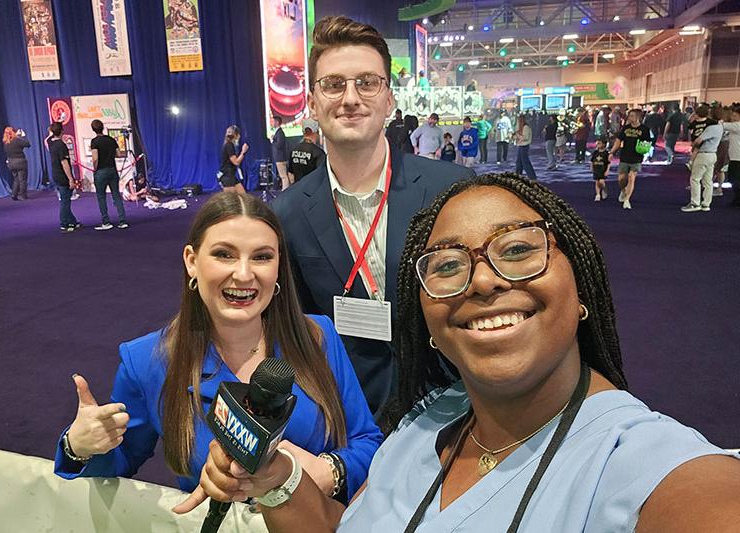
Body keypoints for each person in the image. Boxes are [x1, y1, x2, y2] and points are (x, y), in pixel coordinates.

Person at [189, 174, 740, 533]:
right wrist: (277, 476)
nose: (482, 281)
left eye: (518, 249)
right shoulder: (420, 430)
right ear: (427, 321)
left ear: (583, 294)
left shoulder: (639, 460)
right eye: (448, 265)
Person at [56, 192, 383, 508]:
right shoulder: (146, 362)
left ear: (279, 266)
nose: (244, 274)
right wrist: (80, 447)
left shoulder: (317, 336)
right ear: (192, 261)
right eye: (224, 254)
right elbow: (119, 463)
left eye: (262, 257)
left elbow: (368, 442)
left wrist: (329, 473)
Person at [271, 16, 473, 419]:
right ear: (312, 102)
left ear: (389, 99)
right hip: (351, 417)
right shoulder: (286, 213)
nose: (350, 98)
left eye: (367, 82)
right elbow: (295, 330)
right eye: (333, 84)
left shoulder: (450, 189)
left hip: (459, 407)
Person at [681, 108, 723, 213]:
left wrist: (693, 145)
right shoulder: (720, 127)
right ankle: (706, 204)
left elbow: (699, 140)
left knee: (695, 179)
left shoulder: (711, 128)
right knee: (708, 181)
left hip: (703, 154)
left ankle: (695, 203)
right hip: (713, 154)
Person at [90, 119, 128, 230]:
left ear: (93, 129)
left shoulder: (94, 142)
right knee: (116, 195)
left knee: (101, 197)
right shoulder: (111, 139)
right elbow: (119, 153)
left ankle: (106, 222)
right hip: (112, 169)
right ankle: (122, 221)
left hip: (101, 171)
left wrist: (95, 169)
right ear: (103, 127)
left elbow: (95, 158)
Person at [609, 108, 651, 210]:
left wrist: (645, 150)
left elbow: (647, 143)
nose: (629, 117)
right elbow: (618, 141)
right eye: (629, 116)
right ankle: (623, 190)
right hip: (624, 156)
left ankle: (627, 199)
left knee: (632, 177)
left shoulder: (644, 129)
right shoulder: (626, 128)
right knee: (621, 179)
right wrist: (612, 152)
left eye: (632, 116)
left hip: (636, 157)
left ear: (638, 117)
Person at [47, 122, 80, 232]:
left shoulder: (51, 143)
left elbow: (47, 139)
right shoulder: (61, 145)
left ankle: (73, 221)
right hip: (62, 176)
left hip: (55, 174)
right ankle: (64, 223)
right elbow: (64, 163)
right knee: (65, 201)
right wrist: (71, 179)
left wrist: (51, 131)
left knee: (64, 199)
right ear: (62, 131)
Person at [3, 126, 31, 201]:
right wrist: (23, 136)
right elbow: (28, 144)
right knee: (22, 179)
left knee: (16, 179)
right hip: (20, 162)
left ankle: (14, 194)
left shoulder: (5, 143)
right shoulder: (17, 140)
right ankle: (23, 195)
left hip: (11, 163)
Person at [220, 125, 249, 194]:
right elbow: (236, 162)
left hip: (232, 176)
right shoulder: (229, 145)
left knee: (243, 196)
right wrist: (243, 152)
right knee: (230, 201)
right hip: (227, 177)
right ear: (236, 135)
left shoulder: (229, 145)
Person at [723, 103, 740, 207]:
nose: (732, 118)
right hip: (735, 157)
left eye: (734, 116)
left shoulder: (737, 126)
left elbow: (721, 125)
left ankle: (738, 200)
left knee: (735, 179)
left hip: (737, 158)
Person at [514, 114, 537, 179]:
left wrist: (517, 135)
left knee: (525, 162)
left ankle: (532, 177)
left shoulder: (526, 127)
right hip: (520, 145)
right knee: (519, 163)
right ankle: (518, 176)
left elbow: (525, 137)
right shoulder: (520, 127)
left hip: (524, 146)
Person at [271, 116, 290, 190]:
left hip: (280, 158)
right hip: (280, 158)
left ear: (277, 122)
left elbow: (279, 145)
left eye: (273, 121)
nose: (272, 123)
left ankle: (285, 191)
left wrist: (272, 141)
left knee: (283, 176)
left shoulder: (280, 133)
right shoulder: (278, 132)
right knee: (283, 176)